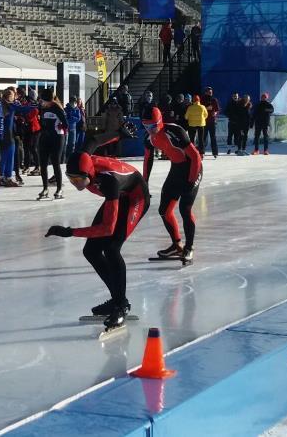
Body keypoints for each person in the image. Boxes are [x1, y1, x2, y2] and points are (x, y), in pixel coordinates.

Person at [47, 151, 150, 329]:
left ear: (89, 174)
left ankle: (120, 306)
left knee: (111, 249)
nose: (75, 184)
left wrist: (70, 232)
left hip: (136, 197)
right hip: (119, 194)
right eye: (70, 179)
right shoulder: (87, 166)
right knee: (91, 251)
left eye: (78, 180)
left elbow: (107, 228)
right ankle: (118, 299)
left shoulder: (108, 182)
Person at [142, 120, 202, 265]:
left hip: (192, 168)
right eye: (146, 127)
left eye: (153, 126)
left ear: (160, 122)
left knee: (185, 209)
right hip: (176, 170)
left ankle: (189, 247)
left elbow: (195, 157)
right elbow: (148, 159)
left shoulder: (174, 131)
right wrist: (145, 183)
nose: (150, 130)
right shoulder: (150, 138)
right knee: (164, 210)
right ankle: (177, 245)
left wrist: (191, 181)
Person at [0, 89, 36, 187]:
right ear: (9, 96)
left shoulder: (1, 104)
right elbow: (24, 109)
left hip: (2, 133)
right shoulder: (10, 105)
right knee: (10, 155)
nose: (15, 97)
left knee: (4, 156)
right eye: (13, 95)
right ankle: (8, 177)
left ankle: (2, 177)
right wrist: (35, 104)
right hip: (9, 134)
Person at [36, 89, 68, 200]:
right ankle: (45, 188)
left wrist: (60, 126)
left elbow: (66, 124)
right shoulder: (42, 108)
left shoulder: (57, 108)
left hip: (57, 138)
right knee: (43, 164)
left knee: (55, 163)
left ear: (49, 100)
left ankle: (59, 188)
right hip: (45, 137)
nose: (41, 102)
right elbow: (42, 123)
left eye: (43, 100)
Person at [200, 87, 220, 158]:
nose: (210, 93)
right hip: (204, 121)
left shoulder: (214, 100)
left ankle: (215, 153)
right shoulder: (202, 99)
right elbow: (199, 109)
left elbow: (217, 109)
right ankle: (202, 152)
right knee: (203, 138)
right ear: (205, 92)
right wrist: (206, 108)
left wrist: (215, 113)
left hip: (212, 121)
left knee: (213, 137)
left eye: (211, 92)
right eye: (209, 92)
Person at [65, 96, 82, 161]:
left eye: (75, 102)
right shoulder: (66, 109)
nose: (74, 103)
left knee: (72, 144)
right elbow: (65, 118)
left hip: (73, 128)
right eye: (73, 102)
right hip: (67, 128)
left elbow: (78, 118)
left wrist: (71, 118)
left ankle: (70, 158)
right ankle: (65, 158)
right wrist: (71, 118)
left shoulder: (77, 109)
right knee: (66, 144)